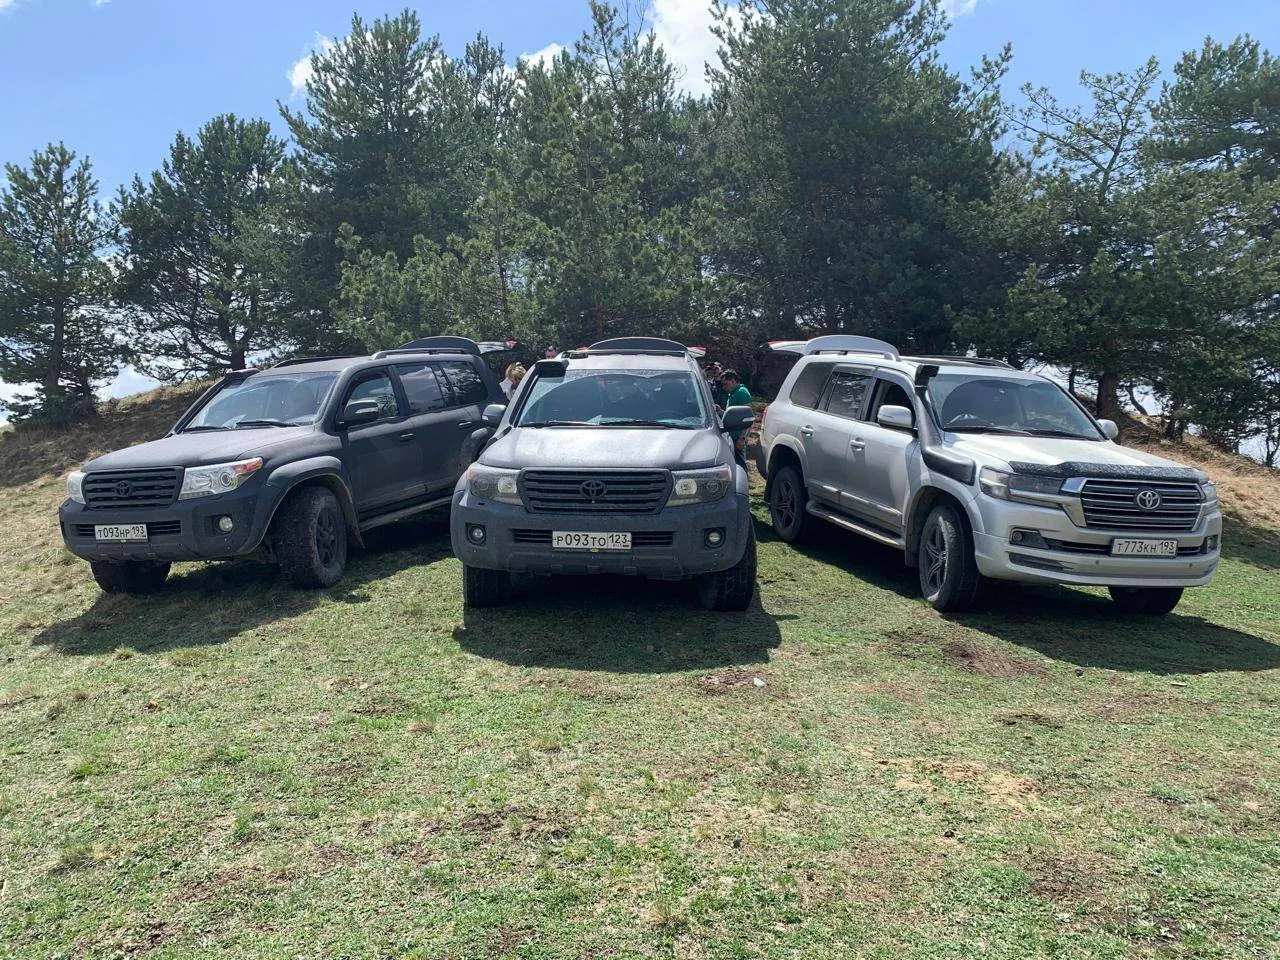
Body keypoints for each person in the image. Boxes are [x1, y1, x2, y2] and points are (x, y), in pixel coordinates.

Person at [720, 369, 753, 468]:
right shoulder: (733, 393)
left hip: (738, 437)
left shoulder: (742, 392)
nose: (724, 387)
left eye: (725, 384)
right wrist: (720, 411)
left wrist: (742, 438)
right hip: (731, 435)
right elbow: (732, 414)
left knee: (740, 465)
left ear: (733, 381)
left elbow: (747, 418)